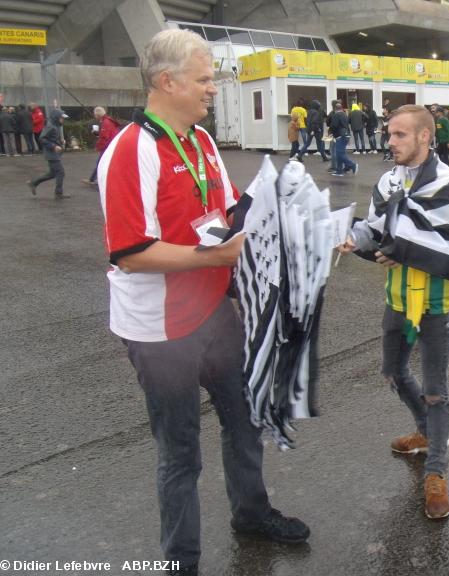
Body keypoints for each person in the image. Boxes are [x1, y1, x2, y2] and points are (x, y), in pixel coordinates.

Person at [97, 30, 309, 576]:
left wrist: (276, 216)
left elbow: (220, 216)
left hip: (215, 314)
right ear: (168, 82)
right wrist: (216, 258)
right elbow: (131, 252)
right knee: (180, 453)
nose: (214, 89)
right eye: (205, 79)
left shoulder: (200, 141)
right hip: (159, 329)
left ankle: (251, 512)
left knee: (244, 421)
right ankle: (181, 562)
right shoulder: (131, 150)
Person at [338, 104, 449, 520]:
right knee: (394, 373)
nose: (390, 141)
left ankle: (436, 472)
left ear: (424, 138)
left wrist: (401, 250)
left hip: (434, 305)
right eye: (389, 134)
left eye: (399, 135)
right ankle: (424, 432)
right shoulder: (390, 179)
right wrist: (352, 236)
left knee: (436, 389)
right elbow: (379, 228)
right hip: (397, 299)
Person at [27, 108, 68, 198]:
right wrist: (53, 146)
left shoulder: (55, 125)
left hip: (53, 154)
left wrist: (60, 141)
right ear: (57, 117)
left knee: (52, 174)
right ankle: (58, 193)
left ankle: (33, 183)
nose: (63, 120)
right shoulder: (51, 126)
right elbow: (42, 138)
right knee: (60, 172)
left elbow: (51, 138)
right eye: (62, 118)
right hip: (51, 154)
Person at [83, 106, 121, 185]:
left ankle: (93, 180)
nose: (94, 116)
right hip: (113, 145)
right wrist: (97, 134)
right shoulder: (108, 121)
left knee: (100, 163)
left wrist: (98, 147)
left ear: (98, 115)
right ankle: (96, 179)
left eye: (95, 114)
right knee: (106, 163)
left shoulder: (105, 122)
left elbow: (104, 137)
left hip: (108, 146)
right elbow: (106, 134)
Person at [330, 102, 358, 176]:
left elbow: (334, 125)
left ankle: (352, 165)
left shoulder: (337, 115)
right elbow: (347, 125)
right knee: (340, 153)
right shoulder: (345, 114)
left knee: (339, 154)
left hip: (340, 136)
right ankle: (339, 171)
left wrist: (330, 132)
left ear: (335, 109)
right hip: (346, 135)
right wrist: (348, 136)